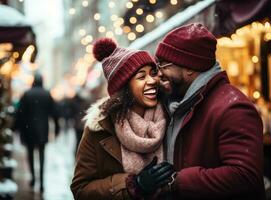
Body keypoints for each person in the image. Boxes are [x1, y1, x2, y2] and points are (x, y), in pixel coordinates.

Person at [151, 23, 264, 199]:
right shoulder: (182, 102)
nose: (159, 73)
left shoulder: (233, 108)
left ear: (188, 67)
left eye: (164, 65)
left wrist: (178, 182)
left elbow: (245, 176)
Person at [70, 38, 175, 200]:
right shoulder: (100, 129)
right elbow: (81, 189)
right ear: (124, 87)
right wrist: (133, 185)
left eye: (153, 73)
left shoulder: (172, 117)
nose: (152, 81)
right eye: (141, 76)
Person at [14, 73, 59, 193]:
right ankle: (42, 182)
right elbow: (54, 112)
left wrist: (17, 129)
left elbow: (19, 113)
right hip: (43, 130)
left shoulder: (27, 94)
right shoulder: (47, 94)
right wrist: (57, 128)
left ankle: (33, 178)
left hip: (29, 130)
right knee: (42, 155)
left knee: (30, 154)